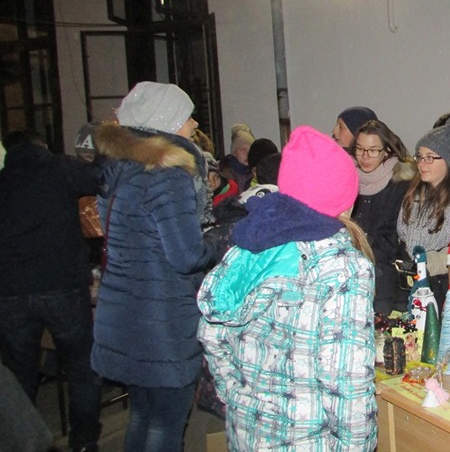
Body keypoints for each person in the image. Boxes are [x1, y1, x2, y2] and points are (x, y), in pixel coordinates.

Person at [198, 126, 377, 451]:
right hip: (310, 440)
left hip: (247, 433)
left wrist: (237, 396)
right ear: (342, 199)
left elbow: (212, 331)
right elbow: (346, 381)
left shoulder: (250, 245)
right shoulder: (343, 267)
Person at [91, 82, 216, 452]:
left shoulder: (120, 169)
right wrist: (218, 242)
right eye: (187, 116)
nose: (194, 124)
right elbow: (186, 256)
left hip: (124, 313)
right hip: (162, 321)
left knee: (143, 417)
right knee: (166, 426)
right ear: (168, 122)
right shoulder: (168, 174)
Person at [0, 128, 102, 452]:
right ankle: (83, 441)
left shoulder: (3, 179)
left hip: (10, 289)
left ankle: (23, 442)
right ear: (42, 145)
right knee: (81, 366)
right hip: (62, 283)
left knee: (20, 374)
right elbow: (100, 178)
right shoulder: (59, 168)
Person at [397, 115, 450, 311]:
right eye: (419, 156)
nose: (421, 164)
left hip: (444, 287)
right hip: (413, 285)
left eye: (430, 157)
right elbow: (402, 240)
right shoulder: (412, 194)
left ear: (449, 161)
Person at [350, 119, 416, 315]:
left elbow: (399, 240)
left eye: (373, 150)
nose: (365, 156)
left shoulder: (401, 186)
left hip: (387, 284)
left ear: (387, 151)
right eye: (360, 149)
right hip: (353, 279)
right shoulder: (348, 181)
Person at [220, 123, 256, 191]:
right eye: (242, 149)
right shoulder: (223, 175)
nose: (247, 153)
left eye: (251, 149)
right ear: (234, 152)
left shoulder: (257, 173)